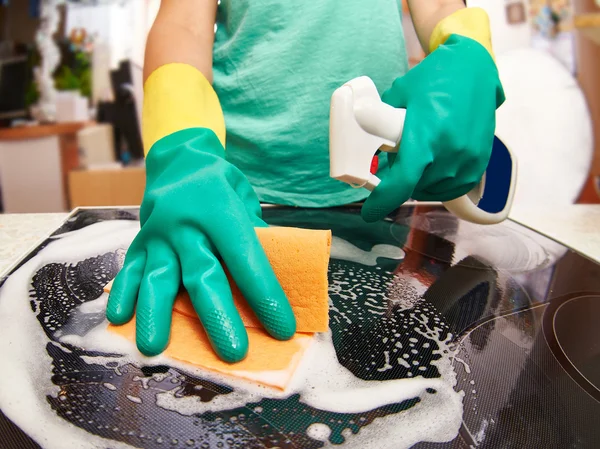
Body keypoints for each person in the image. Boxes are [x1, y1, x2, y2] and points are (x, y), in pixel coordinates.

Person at [106, 0, 505, 363]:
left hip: (379, 195)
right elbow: (184, 25)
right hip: (237, 203)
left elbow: (437, 6)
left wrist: (465, 49)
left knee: (357, 366)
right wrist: (183, 149)